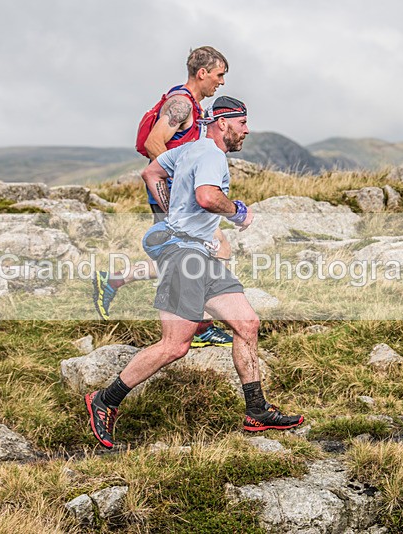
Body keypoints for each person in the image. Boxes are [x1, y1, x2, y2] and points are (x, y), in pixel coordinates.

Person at [85, 97, 304, 449]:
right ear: (223, 123)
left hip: (200, 252)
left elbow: (151, 172)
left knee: (247, 324)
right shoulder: (212, 156)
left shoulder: (187, 149)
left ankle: (256, 410)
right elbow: (206, 197)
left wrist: (173, 213)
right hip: (183, 255)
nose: (247, 130)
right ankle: (104, 401)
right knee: (175, 346)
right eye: (243, 123)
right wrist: (237, 212)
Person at [93, 45, 233, 348]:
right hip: (172, 195)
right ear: (202, 73)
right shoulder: (181, 104)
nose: (221, 82)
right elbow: (156, 142)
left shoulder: (193, 106)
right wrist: (181, 179)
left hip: (179, 196)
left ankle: (116, 280)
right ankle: (199, 328)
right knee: (207, 252)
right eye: (219, 75)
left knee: (192, 256)